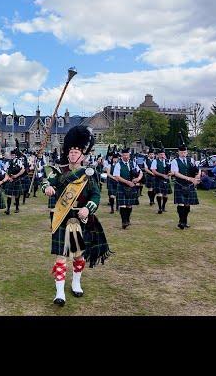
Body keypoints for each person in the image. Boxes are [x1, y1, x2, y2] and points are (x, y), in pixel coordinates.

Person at [41, 125, 111, 306]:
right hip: (63, 218)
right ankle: (59, 293)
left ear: (83, 156)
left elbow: (96, 195)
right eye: (71, 151)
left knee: (79, 255)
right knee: (61, 255)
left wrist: (88, 208)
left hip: (81, 218)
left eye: (76, 152)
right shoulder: (60, 172)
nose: (72, 155)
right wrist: (47, 187)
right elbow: (47, 181)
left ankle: (76, 282)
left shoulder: (88, 174)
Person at [170, 144, 200, 230]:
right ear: (178, 152)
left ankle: (185, 221)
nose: (183, 154)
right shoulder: (174, 161)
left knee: (187, 204)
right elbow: (176, 173)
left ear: (187, 152)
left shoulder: (191, 160)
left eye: (185, 152)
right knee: (181, 203)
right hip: (180, 184)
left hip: (190, 185)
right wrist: (188, 178)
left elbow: (198, 169)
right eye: (181, 152)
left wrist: (197, 177)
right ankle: (181, 221)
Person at [113, 147, 143, 229]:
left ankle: (127, 219)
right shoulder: (118, 164)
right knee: (122, 205)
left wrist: (138, 178)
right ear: (122, 156)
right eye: (124, 155)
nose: (126, 157)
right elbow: (117, 176)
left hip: (131, 187)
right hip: (122, 186)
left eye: (127, 155)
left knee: (129, 205)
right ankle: (124, 221)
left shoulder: (133, 163)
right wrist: (127, 182)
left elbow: (141, 172)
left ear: (129, 155)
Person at [3, 148, 25, 214]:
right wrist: (8, 178)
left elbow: (23, 170)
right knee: (9, 195)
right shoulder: (8, 162)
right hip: (10, 180)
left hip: (16, 180)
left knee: (17, 195)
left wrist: (16, 176)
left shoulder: (19, 161)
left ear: (15, 155)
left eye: (13, 155)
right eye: (11, 155)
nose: (12, 156)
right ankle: (8, 209)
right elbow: (6, 171)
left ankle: (17, 208)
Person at [150, 149, 172, 214]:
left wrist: (170, 173)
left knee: (165, 195)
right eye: (161, 154)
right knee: (159, 194)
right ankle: (159, 208)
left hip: (166, 179)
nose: (162, 156)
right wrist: (162, 175)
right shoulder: (155, 161)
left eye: (163, 154)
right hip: (158, 179)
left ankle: (163, 207)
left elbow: (171, 170)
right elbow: (153, 171)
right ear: (158, 155)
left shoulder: (167, 161)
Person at [105, 150, 119, 214]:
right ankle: (112, 208)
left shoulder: (119, 165)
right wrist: (114, 178)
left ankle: (117, 207)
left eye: (116, 158)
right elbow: (108, 174)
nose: (115, 160)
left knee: (118, 195)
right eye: (114, 158)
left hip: (118, 181)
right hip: (111, 181)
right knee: (112, 196)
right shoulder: (109, 165)